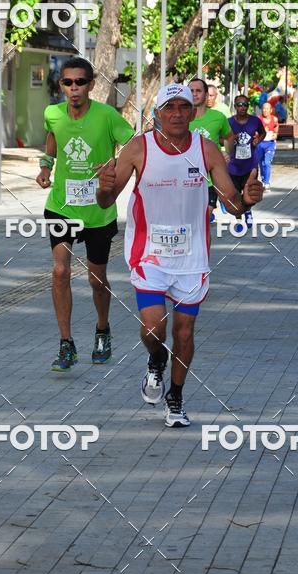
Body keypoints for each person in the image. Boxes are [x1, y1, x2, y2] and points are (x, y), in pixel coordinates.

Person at [96, 83, 263, 427]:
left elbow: (231, 204)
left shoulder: (206, 150)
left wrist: (246, 201)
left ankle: (175, 397)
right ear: (157, 113)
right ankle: (156, 360)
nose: (176, 114)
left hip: (192, 259)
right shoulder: (138, 148)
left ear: (192, 112)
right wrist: (104, 186)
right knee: (154, 327)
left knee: (185, 333)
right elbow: (106, 202)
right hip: (150, 255)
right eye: (168, 107)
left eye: (183, 107)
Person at [36, 57, 135, 371]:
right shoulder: (53, 113)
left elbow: (134, 146)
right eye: (68, 82)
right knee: (60, 272)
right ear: (61, 85)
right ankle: (66, 343)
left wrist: (114, 168)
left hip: (98, 211)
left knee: (96, 279)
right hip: (61, 206)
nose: (74, 88)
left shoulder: (107, 116)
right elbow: (51, 144)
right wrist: (43, 168)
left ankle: (103, 329)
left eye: (81, 82)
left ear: (92, 85)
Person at [188, 78, 233, 217]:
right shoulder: (180, 117)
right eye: (191, 91)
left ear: (206, 95)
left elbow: (229, 137)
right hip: (185, 178)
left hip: (210, 178)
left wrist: (227, 153)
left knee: (204, 218)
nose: (194, 94)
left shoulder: (218, 117)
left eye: (198, 91)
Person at [227, 95, 265, 220]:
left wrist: (258, 140)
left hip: (250, 164)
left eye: (245, 105)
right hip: (234, 166)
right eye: (239, 105)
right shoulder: (229, 122)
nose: (242, 107)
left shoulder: (255, 121)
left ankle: (248, 211)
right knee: (235, 196)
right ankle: (238, 219)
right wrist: (232, 139)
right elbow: (222, 138)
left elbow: (263, 132)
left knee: (249, 191)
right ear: (235, 106)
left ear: (248, 106)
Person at [257, 101, 279, 190]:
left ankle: (267, 182)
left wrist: (275, 135)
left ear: (271, 110)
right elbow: (255, 131)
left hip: (270, 144)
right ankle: (263, 179)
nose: (265, 110)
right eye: (263, 109)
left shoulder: (274, 119)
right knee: (261, 163)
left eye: (267, 109)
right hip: (260, 144)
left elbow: (276, 130)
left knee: (267, 162)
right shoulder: (258, 119)